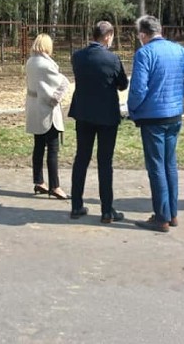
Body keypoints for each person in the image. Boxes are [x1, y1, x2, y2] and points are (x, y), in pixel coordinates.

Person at [127, 15, 184, 232]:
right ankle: (172, 213)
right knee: (170, 164)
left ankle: (161, 216)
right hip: (174, 115)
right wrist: (179, 93)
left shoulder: (144, 53)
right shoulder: (178, 50)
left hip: (153, 117)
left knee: (156, 166)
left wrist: (133, 109)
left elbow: (138, 89)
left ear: (143, 34)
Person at [68, 21, 129, 223]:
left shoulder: (77, 56)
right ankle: (106, 210)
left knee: (81, 159)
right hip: (107, 117)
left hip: (83, 114)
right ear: (108, 36)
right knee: (105, 162)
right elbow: (122, 84)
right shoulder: (112, 59)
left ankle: (76, 205)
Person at [25, 33, 70, 200]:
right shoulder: (46, 65)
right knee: (52, 149)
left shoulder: (30, 62)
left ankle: (39, 181)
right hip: (46, 110)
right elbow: (61, 83)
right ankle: (55, 186)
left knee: (38, 146)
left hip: (34, 107)